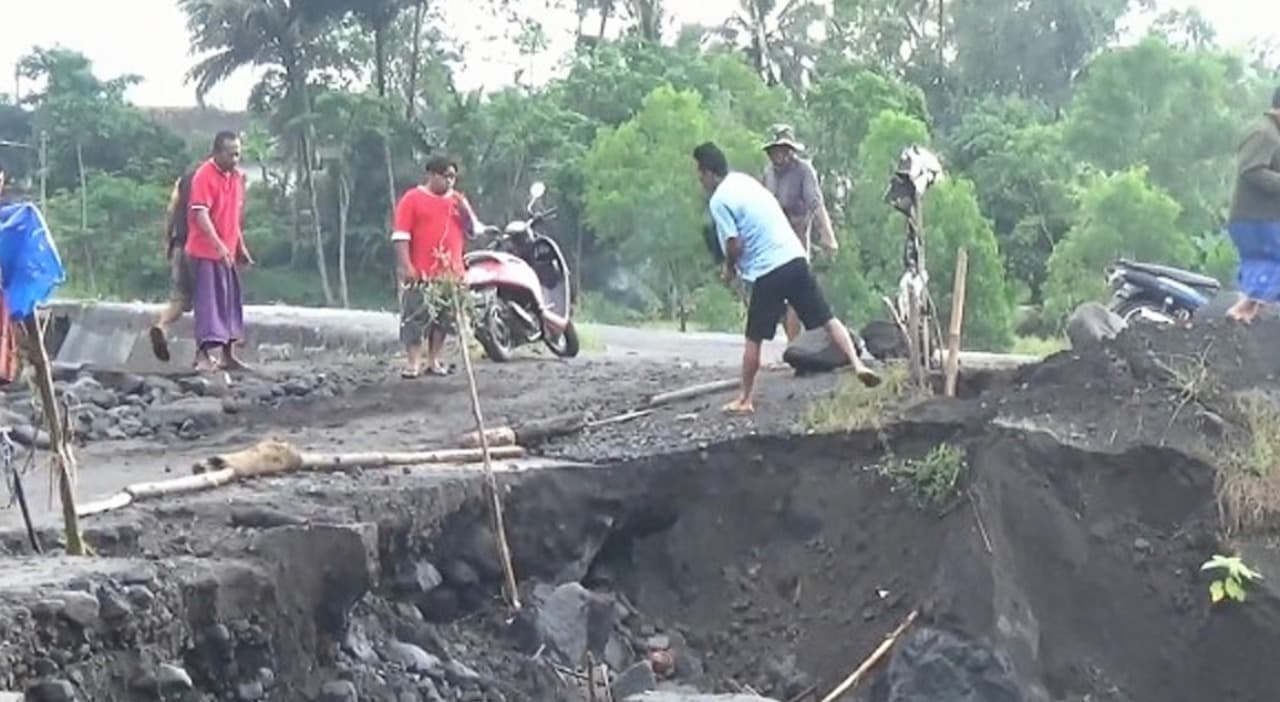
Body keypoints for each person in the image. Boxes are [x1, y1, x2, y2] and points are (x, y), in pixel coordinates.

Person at [693, 141, 880, 415]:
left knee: (753, 337)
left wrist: (730, 269)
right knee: (828, 319)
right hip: (795, 256)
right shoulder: (744, 182)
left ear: (709, 173)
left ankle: (745, 399)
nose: (700, 180)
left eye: (699, 173)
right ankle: (857, 364)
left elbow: (734, 243)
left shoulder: (720, 199)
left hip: (769, 268)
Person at [392, 155, 474, 379]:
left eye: (453, 177)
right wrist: (407, 266)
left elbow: (472, 231)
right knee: (415, 318)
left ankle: (434, 360)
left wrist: (466, 210)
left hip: (450, 275)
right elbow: (400, 236)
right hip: (421, 272)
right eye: (446, 176)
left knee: (443, 320)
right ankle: (413, 363)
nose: (450, 182)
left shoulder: (456, 201)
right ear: (431, 175)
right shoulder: (412, 199)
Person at [761, 125, 839, 341]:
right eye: (775, 151)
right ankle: (790, 339)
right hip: (772, 237)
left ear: (790, 150)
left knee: (796, 290)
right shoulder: (768, 173)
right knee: (775, 293)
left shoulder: (804, 171)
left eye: (783, 150)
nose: (779, 155)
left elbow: (816, 203)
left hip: (796, 235)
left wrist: (828, 234)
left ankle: (794, 345)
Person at [185, 130, 252, 371]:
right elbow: (200, 213)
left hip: (228, 252)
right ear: (217, 152)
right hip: (205, 251)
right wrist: (218, 244)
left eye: (238, 154)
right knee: (208, 303)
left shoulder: (236, 177)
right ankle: (201, 354)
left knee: (230, 303)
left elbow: (232, 215)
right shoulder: (204, 175)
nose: (235, 159)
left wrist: (239, 246)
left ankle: (227, 354)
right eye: (231, 154)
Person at [1225, 87, 1280, 324]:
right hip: (1257, 219)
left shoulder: (1271, 132)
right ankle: (1241, 316)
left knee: (1262, 268)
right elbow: (1250, 169)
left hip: (1260, 219)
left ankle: (1249, 322)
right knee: (1269, 264)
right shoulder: (1264, 133)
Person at [148, 170, 195, 363]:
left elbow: (170, 210)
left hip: (179, 246)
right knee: (206, 303)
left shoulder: (183, 180)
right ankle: (204, 354)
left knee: (178, 300)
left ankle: (162, 325)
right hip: (200, 249)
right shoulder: (212, 180)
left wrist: (168, 240)